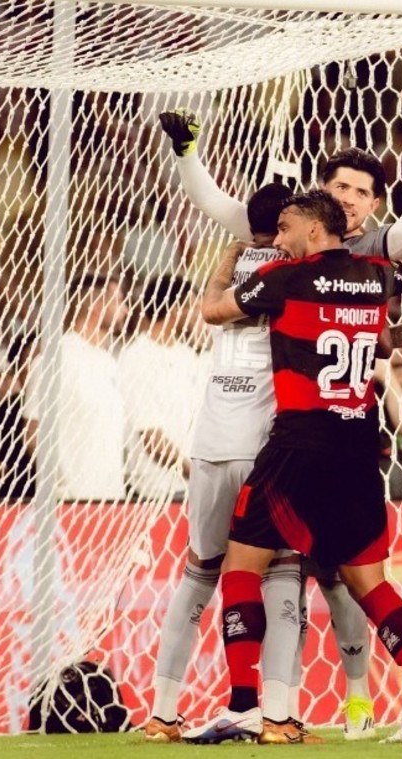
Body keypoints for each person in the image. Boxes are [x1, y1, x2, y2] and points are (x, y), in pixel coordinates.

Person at [183, 190, 402, 745]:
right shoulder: (377, 274)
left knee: (238, 569)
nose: (277, 240)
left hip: (297, 448)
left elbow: (213, 312)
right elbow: (385, 332)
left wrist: (224, 263)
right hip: (358, 448)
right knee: (369, 583)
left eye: (285, 228)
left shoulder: (284, 278)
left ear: (312, 230)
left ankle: (243, 706)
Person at [142, 184, 315, 744]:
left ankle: (163, 712)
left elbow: (211, 307)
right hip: (265, 450)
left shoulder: (237, 261)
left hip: (210, 444)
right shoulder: (297, 270)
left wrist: (223, 259)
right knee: (282, 577)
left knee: (198, 575)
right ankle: (279, 715)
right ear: (290, 223)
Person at [157, 107, 402, 262]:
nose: (348, 199)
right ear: (322, 188)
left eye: (361, 193)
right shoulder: (285, 226)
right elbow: (212, 201)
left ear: (375, 205)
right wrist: (185, 151)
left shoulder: (376, 246)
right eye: (341, 187)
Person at [21, 272, 128, 501]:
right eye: (119, 301)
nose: (126, 310)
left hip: (113, 503)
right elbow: (33, 431)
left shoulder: (108, 362)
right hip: (71, 503)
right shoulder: (54, 358)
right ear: (97, 305)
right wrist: (61, 487)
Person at [118, 275, 204, 502]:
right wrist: (194, 473)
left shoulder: (187, 356)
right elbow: (150, 437)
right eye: (194, 308)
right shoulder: (137, 356)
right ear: (176, 309)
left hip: (192, 487)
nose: (199, 316)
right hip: (156, 489)